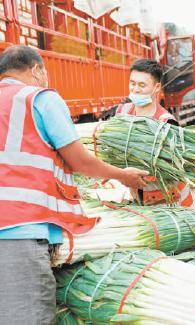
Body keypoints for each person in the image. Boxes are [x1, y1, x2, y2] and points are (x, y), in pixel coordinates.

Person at [0, 45, 148, 324]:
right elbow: (79, 161)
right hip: (18, 229)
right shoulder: (38, 98)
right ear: (37, 71)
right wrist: (123, 175)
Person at [116, 58, 193, 207]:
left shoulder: (165, 123)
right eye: (132, 83)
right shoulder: (122, 112)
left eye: (142, 85)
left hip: (169, 201)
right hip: (142, 198)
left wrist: (126, 172)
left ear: (156, 87)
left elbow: (169, 169)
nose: (135, 89)